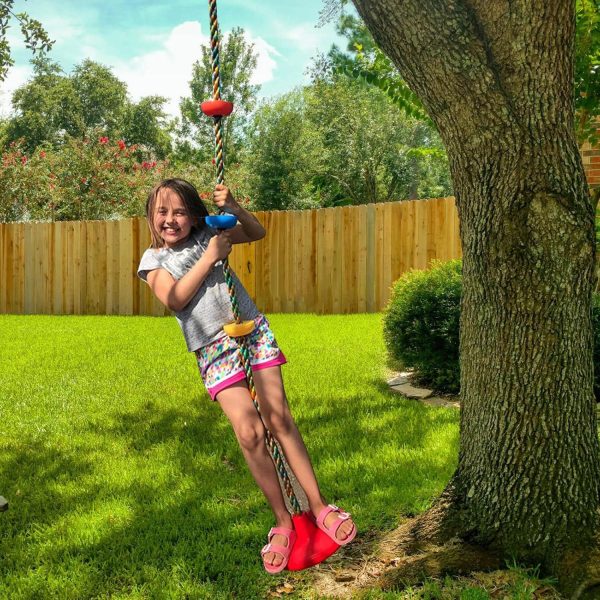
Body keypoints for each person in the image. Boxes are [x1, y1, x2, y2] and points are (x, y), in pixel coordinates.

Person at [137, 178, 356, 573]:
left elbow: (256, 232)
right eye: (162, 211)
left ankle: (319, 505)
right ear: (151, 216)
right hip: (213, 348)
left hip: (251, 330)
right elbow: (174, 298)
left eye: (180, 211)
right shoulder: (153, 260)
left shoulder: (210, 233)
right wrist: (210, 257)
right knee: (250, 433)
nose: (171, 219)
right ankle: (283, 522)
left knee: (278, 417)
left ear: (195, 215)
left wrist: (234, 208)